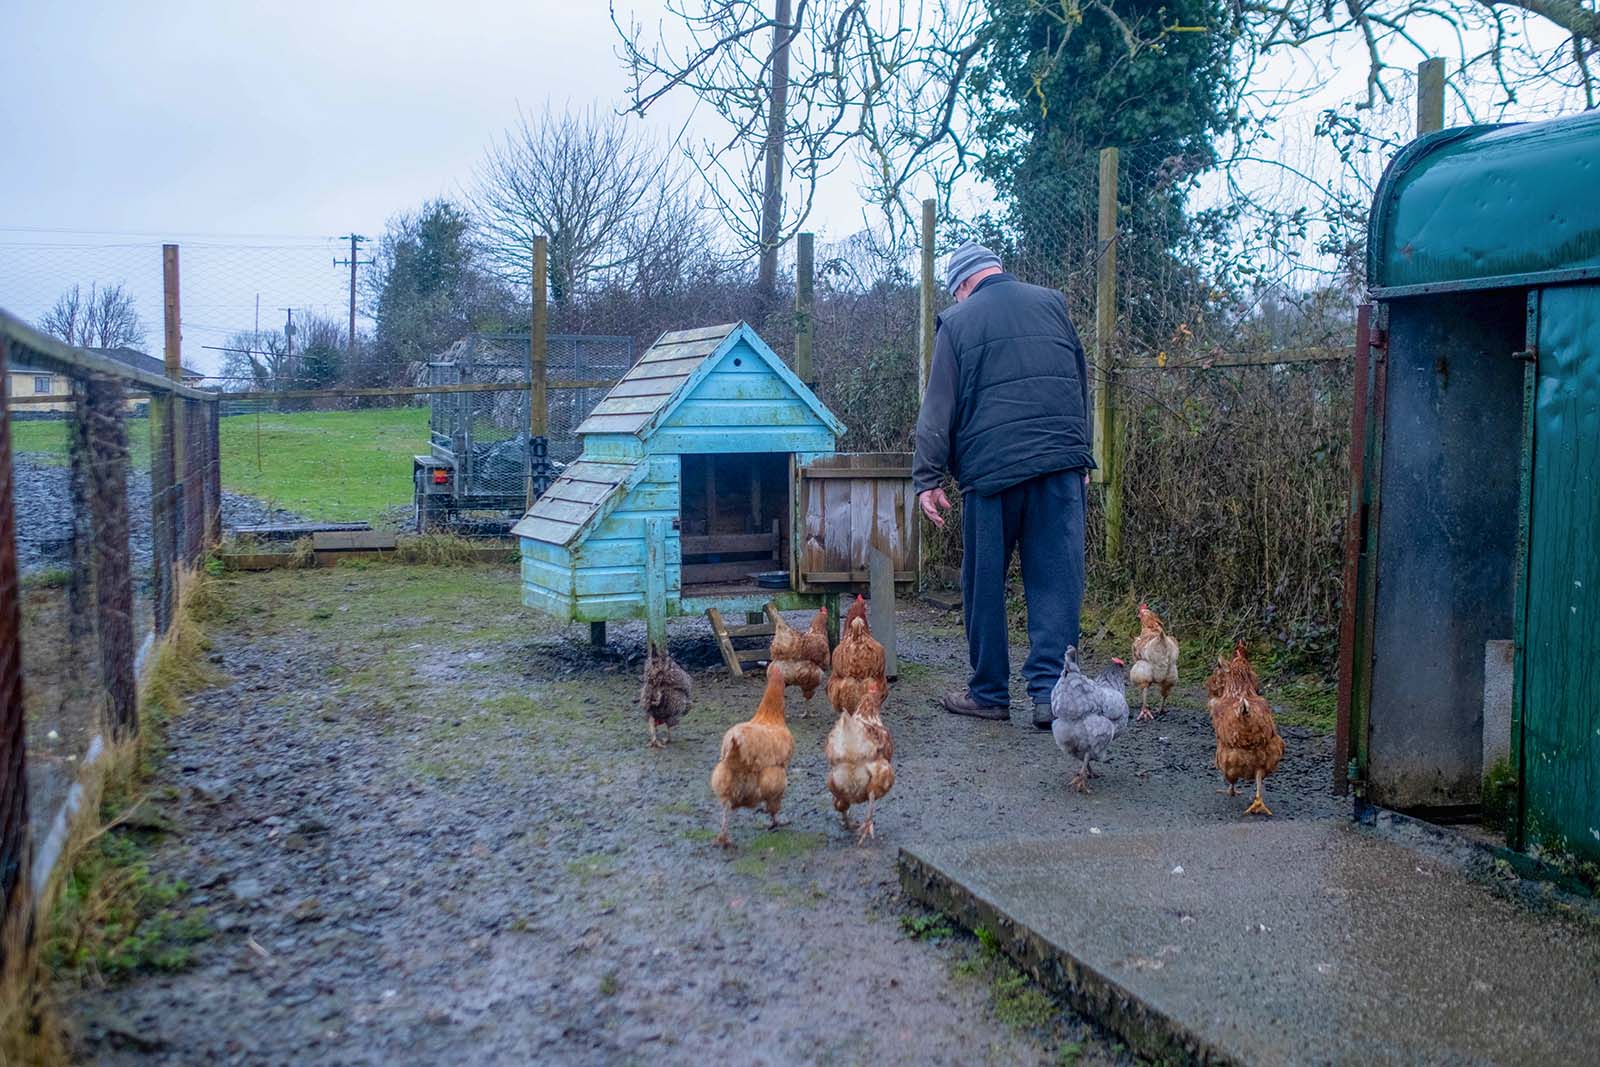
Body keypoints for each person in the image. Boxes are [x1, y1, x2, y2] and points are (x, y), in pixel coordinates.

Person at [912, 241, 1092, 729]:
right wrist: (1082, 455)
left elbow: (937, 408)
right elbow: (1079, 381)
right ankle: (1049, 698)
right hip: (1060, 464)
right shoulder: (1052, 304)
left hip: (991, 475)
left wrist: (927, 478)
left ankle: (989, 692)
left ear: (964, 285)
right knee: (1056, 583)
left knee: (984, 584)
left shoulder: (959, 322)